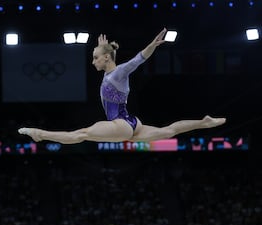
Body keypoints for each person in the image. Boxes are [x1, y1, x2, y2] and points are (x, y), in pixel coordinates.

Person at [18, 28, 226, 144]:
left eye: (96, 58)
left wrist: (151, 46)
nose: (93, 62)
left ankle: (40, 133)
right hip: (133, 122)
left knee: (80, 135)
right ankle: (203, 122)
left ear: (107, 58)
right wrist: (102, 45)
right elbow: (114, 57)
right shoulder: (111, 73)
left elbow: (138, 60)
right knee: (168, 131)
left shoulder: (118, 72)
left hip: (121, 123)